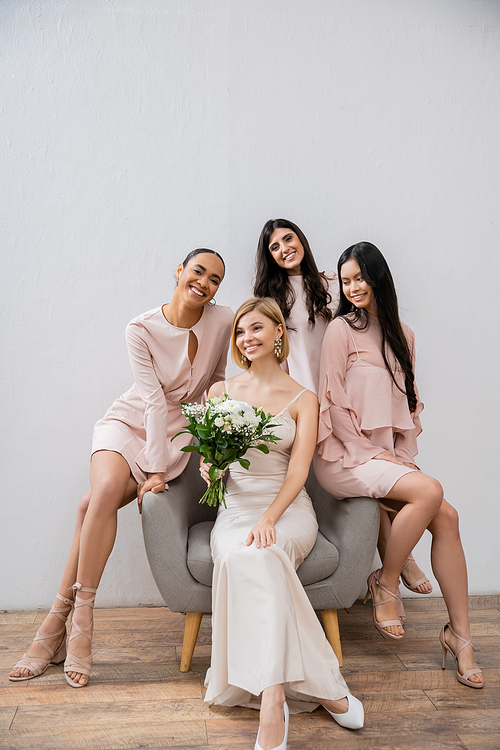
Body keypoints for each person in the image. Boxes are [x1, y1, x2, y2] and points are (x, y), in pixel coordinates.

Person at [9, 249, 233, 688]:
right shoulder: (141, 327)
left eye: (215, 279)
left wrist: (210, 441)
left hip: (175, 435)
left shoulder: (223, 320)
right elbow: (151, 401)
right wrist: (154, 469)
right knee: (108, 487)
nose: (204, 283)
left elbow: (216, 382)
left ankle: (53, 625)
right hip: (130, 423)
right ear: (179, 271)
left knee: (89, 505)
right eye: (198, 272)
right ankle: (83, 619)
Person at [314, 242, 484, 688]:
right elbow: (330, 404)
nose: (351, 289)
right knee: (431, 492)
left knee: (447, 515)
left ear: (378, 278)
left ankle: (460, 637)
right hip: (343, 457)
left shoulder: (404, 335)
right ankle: (386, 583)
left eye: (359, 279)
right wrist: (372, 454)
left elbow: (405, 411)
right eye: (345, 280)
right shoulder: (341, 331)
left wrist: (403, 462)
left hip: (385, 459)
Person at [201, 297, 364, 750]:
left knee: (266, 549)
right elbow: (213, 462)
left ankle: (275, 705)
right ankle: (315, 690)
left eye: (255, 328)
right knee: (244, 553)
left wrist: (272, 517)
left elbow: (297, 471)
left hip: (288, 510)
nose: (246, 338)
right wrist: (211, 468)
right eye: (239, 331)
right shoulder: (220, 392)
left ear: (278, 333)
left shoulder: (303, 399)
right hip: (235, 511)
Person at [255, 219, 431, 603]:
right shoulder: (272, 296)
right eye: (274, 246)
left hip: (346, 397)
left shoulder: (333, 283)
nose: (284, 248)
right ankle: (399, 563)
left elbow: (360, 318)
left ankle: (398, 562)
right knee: (366, 478)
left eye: (289, 238)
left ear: (301, 239)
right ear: (268, 257)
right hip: (310, 398)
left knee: (372, 477)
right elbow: (276, 353)